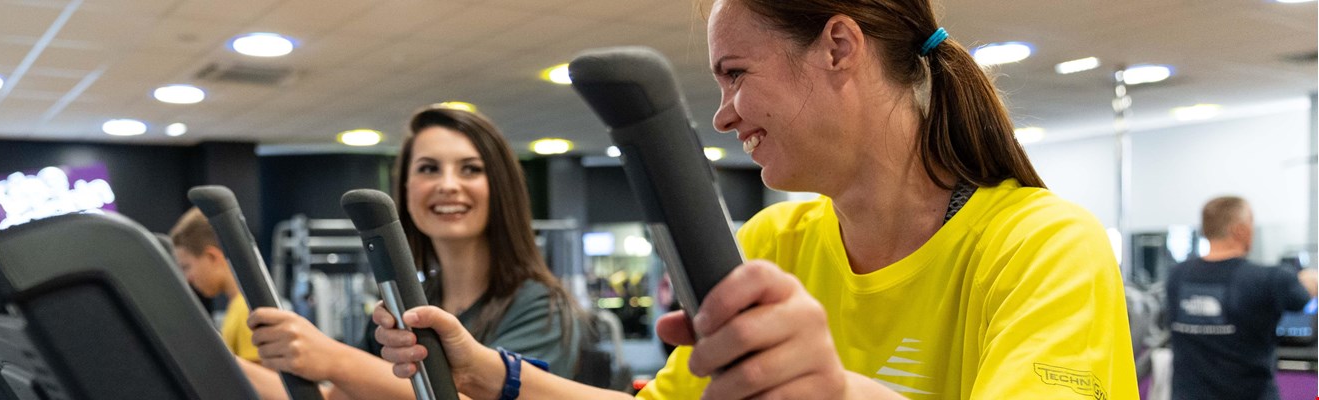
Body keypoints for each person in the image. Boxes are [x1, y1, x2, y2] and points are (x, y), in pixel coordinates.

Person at [373, 0, 1139, 398]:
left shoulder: (1042, 246)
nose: (724, 113)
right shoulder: (779, 240)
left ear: (839, 47)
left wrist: (834, 392)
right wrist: (492, 375)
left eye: (736, 73)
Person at [239, 105, 585, 399]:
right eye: (428, 168)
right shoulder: (410, 303)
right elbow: (338, 396)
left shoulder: (541, 307)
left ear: (500, 187)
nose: (448, 185)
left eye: (471, 169)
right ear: (406, 188)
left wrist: (334, 359)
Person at [1165, 196, 1317, 400]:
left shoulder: (1176, 276)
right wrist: (1310, 281)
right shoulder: (1270, 279)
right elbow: (1302, 299)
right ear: (1241, 230)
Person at [168, 208, 292, 400]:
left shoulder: (247, 311)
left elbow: (264, 389)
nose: (188, 278)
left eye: (187, 266)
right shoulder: (235, 307)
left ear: (212, 257)